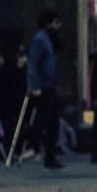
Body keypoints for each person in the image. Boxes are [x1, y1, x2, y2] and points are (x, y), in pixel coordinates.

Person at [26, 9, 67, 171]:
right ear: (48, 24)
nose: (59, 26)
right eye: (56, 23)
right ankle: (31, 142)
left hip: (49, 85)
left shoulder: (49, 39)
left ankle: (49, 157)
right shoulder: (40, 40)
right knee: (44, 121)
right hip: (43, 87)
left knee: (52, 123)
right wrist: (34, 87)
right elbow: (32, 64)